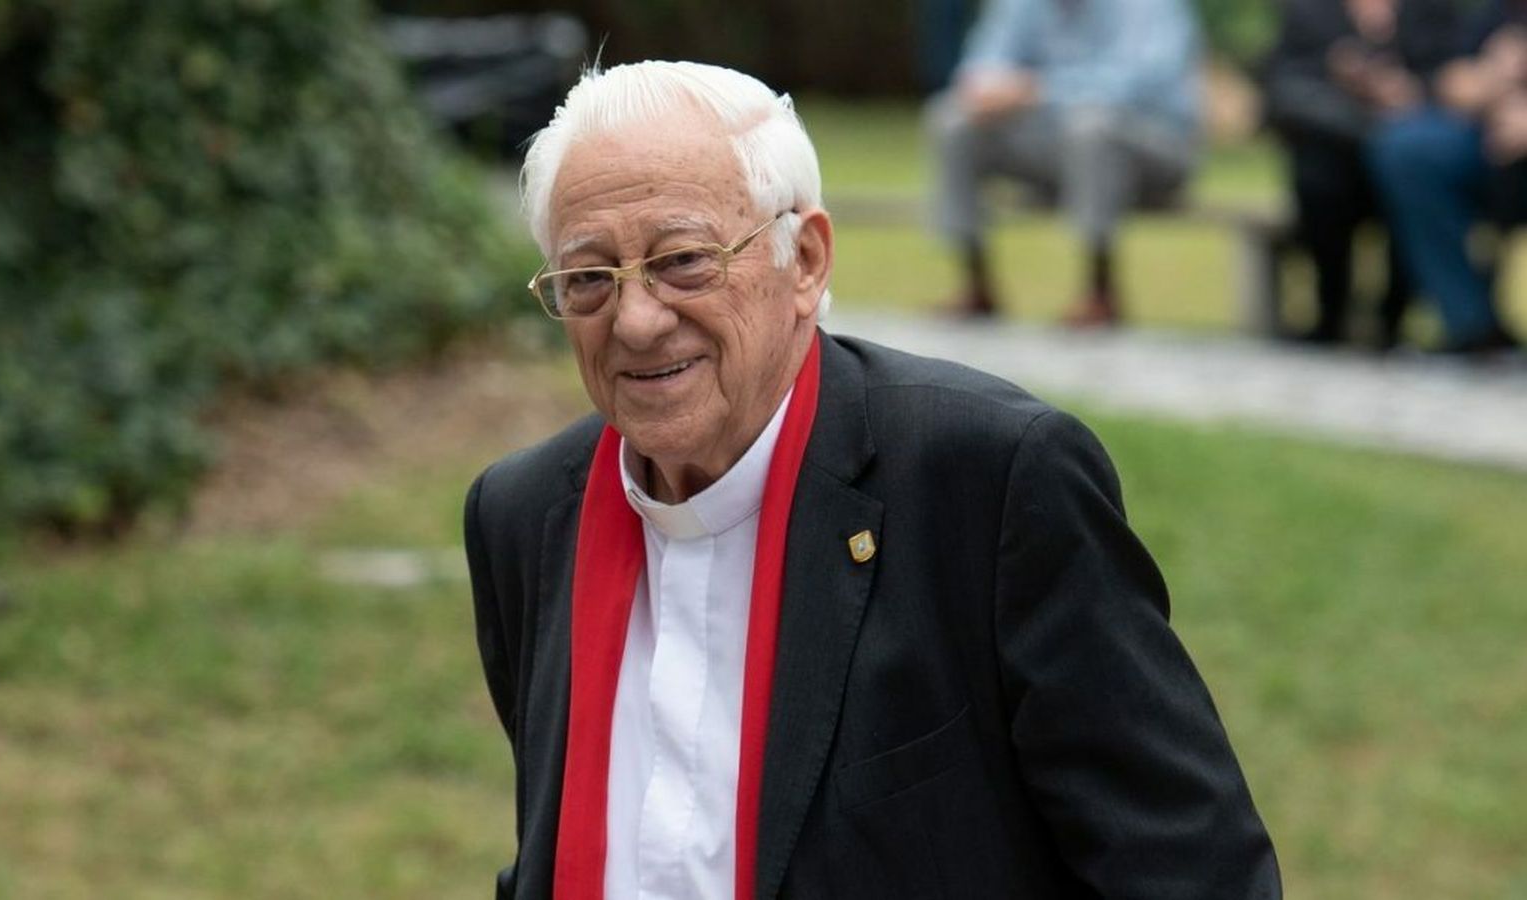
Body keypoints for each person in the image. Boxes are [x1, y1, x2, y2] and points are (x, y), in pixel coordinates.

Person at [464, 60, 1281, 899]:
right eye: (589, 278)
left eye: (684, 260)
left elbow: (1191, 871)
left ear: (806, 261)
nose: (635, 320)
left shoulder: (987, 481)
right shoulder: (524, 516)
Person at [926, 0, 1203, 324]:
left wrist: (1037, 90)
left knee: (1091, 126)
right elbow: (982, 62)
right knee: (953, 120)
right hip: (1057, 144)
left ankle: (1100, 291)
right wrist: (986, 89)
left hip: (1155, 144)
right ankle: (976, 285)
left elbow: (1143, 83)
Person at [1263, 0, 1460, 348]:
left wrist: (1408, 93)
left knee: (1412, 172)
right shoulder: (1310, 11)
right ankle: (1330, 314)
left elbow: (1455, 75)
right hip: (1337, 151)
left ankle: (1392, 322)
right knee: (1318, 179)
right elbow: (1283, 89)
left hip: (1409, 157)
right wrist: (1363, 107)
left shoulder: (1432, 11)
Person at [1365, 0, 1527, 354]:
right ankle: (1472, 324)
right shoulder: (1497, 12)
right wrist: (1493, 83)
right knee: (1408, 147)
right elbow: (1453, 77)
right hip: (1489, 135)